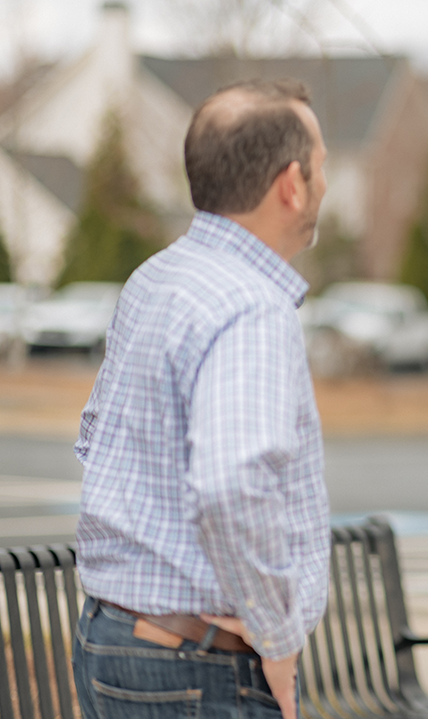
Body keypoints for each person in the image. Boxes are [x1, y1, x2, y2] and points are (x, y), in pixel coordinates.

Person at [72, 78, 331, 719]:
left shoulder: (155, 278)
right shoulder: (251, 304)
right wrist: (276, 636)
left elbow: (92, 436)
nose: (325, 184)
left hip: (112, 638)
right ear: (291, 184)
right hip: (200, 664)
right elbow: (231, 484)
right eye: (321, 167)